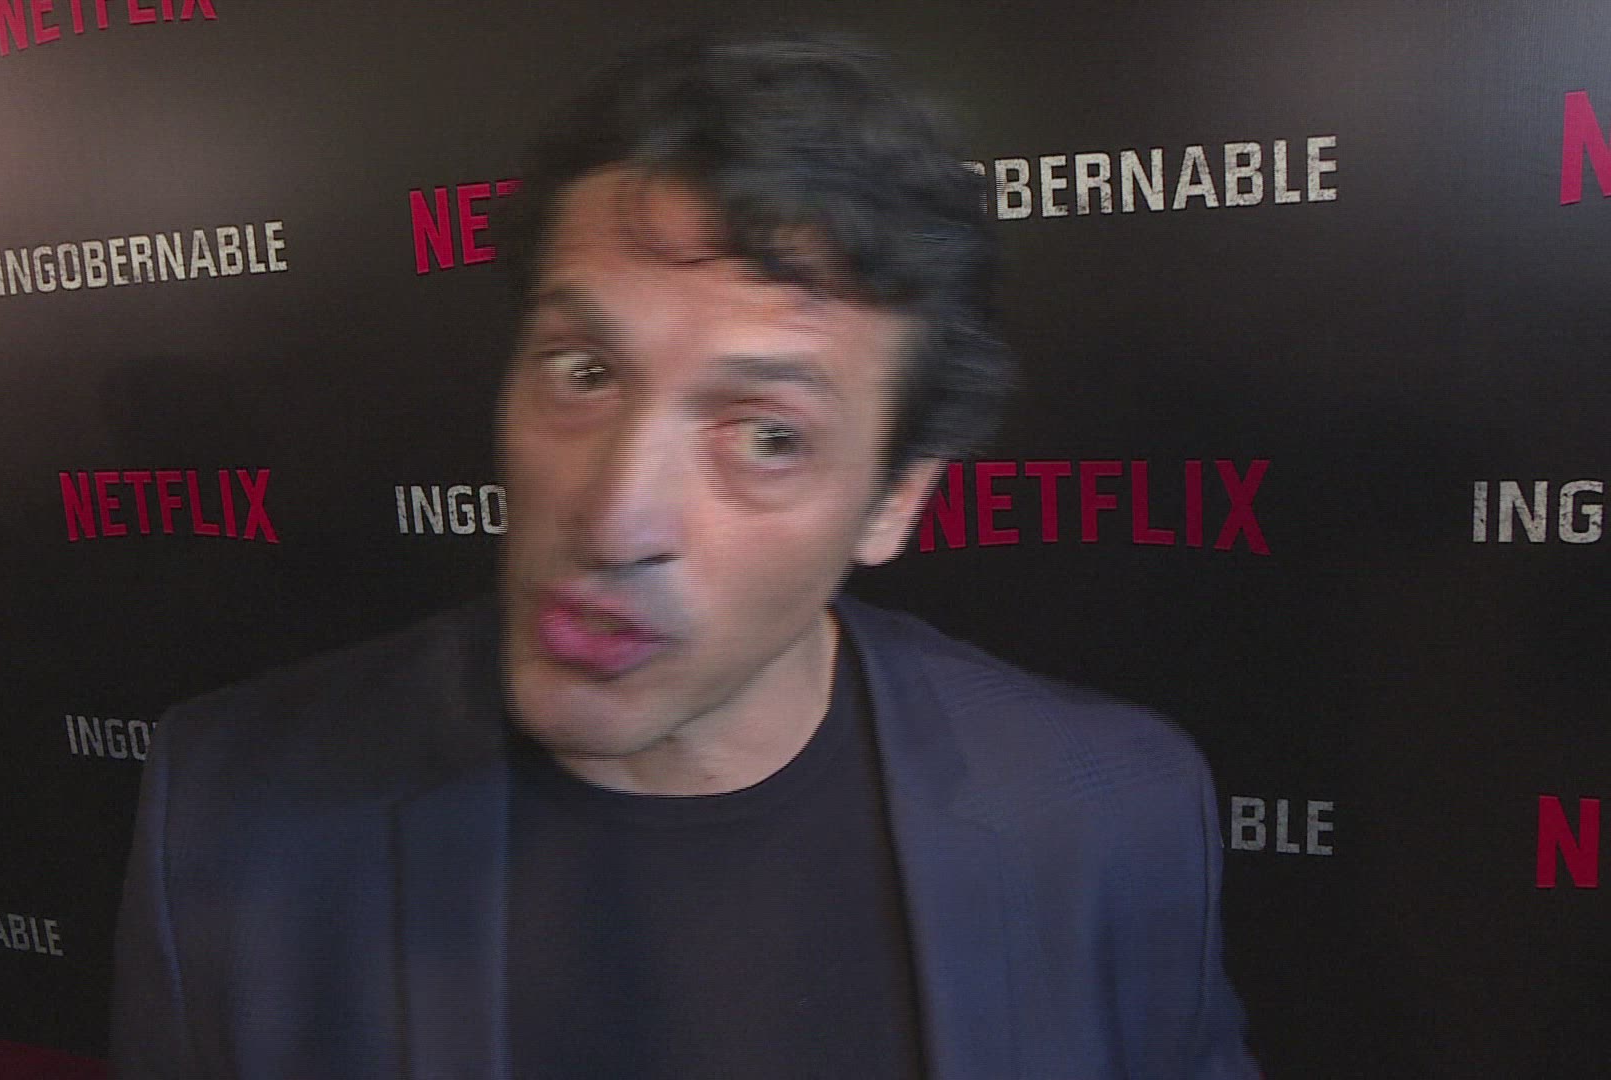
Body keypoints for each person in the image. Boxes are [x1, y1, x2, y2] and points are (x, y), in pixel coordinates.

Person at [111, 30, 1258, 1079]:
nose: (615, 521)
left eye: (766, 437)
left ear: (893, 503)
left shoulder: (1110, 813)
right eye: (584, 372)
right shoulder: (234, 809)